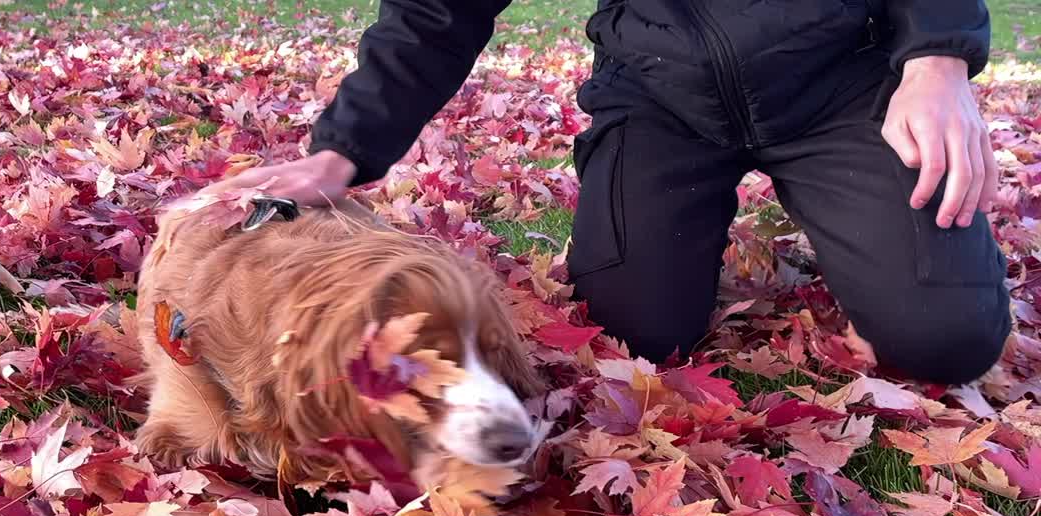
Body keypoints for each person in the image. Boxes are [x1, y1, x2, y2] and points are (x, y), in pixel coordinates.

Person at [208, 1, 1011, 386]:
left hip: (842, 77)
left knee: (945, 342)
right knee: (635, 335)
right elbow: (435, 12)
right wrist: (342, 151)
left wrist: (936, 55)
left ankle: (878, 243)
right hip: (662, 92)